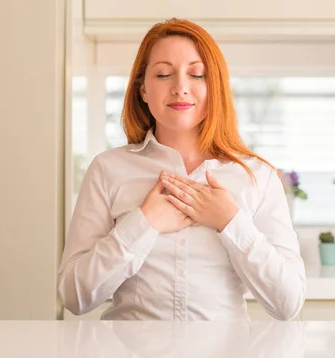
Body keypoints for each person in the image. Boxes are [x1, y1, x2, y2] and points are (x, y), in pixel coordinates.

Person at [57, 18, 306, 321]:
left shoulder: (258, 177)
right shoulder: (108, 170)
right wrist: (143, 223)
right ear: (143, 90)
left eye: (197, 74)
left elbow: (288, 303)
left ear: (215, 87)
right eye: (163, 74)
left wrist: (230, 221)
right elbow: (73, 296)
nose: (180, 88)